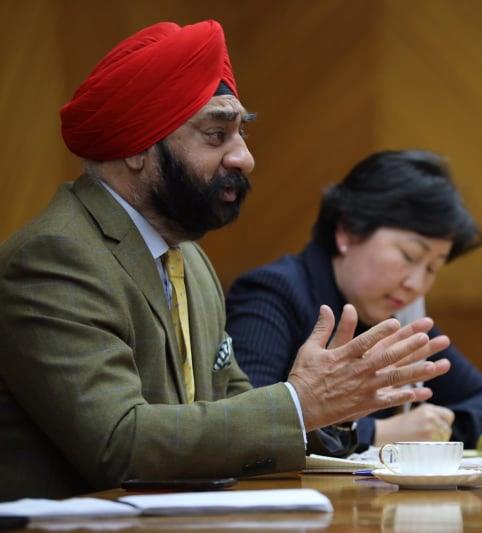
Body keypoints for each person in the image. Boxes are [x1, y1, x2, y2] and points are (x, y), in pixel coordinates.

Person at [0, 21, 451, 501]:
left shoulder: (189, 260)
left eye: (241, 134)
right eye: (216, 135)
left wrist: (327, 411)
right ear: (137, 148)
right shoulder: (55, 258)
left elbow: (230, 408)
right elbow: (120, 444)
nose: (245, 158)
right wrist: (301, 404)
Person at [226, 150, 482, 451]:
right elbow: (247, 424)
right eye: (409, 256)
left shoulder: (400, 315)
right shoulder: (271, 292)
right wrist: (376, 432)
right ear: (348, 231)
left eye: (432, 268)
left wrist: (436, 426)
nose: (416, 284)